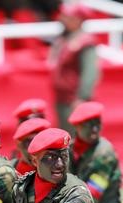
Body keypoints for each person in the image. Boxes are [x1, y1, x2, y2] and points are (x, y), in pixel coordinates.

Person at [51, 3, 99, 132]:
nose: (62, 19)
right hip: (62, 99)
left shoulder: (85, 42)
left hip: (74, 101)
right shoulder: (64, 39)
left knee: (75, 137)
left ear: (77, 19)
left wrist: (82, 97)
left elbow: (90, 72)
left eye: (66, 16)